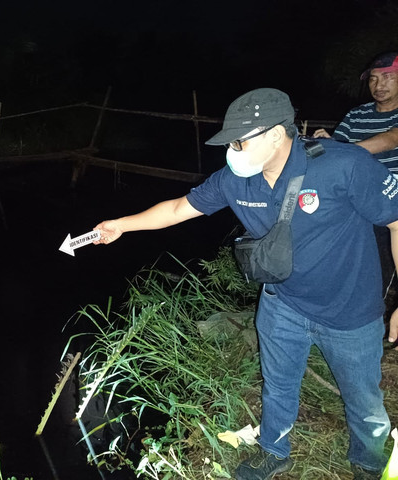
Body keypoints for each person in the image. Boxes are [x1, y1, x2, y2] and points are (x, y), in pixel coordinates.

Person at [93, 88, 398, 480]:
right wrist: (120, 225)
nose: (232, 150)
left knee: (364, 398)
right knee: (278, 384)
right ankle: (274, 450)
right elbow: (176, 209)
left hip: (351, 311)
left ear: (275, 134)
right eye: (229, 141)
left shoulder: (345, 165)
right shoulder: (235, 181)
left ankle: (368, 462)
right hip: (282, 305)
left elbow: (395, 221)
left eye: (240, 140)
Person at [314, 52, 398, 295]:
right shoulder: (357, 115)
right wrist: (323, 144)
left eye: (387, 77)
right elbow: (332, 150)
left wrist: (342, 151)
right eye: (373, 79)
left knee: (382, 258)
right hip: (355, 196)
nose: (378, 85)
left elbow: (391, 139)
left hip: (393, 195)